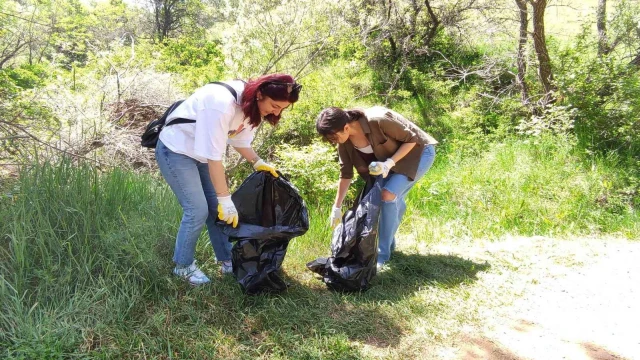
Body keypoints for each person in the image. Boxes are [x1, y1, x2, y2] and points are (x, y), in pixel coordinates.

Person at [155, 74, 302, 285]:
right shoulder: (221, 103)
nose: (276, 112)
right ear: (260, 94)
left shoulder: (252, 107)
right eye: (274, 105)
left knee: (216, 210)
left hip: (201, 154)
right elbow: (215, 158)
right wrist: (225, 199)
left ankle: (227, 260)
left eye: (282, 109)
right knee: (197, 209)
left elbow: (238, 138)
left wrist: (257, 161)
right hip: (176, 150)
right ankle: (183, 266)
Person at [315, 106, 438, 271]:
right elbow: (345, 175)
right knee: (390, 198)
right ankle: (390, 245)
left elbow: (413, 139)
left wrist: (389, 163)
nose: (333, 141)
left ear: (345, 127)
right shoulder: (344, 143)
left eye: (334, 136)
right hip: (392, 163)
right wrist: (336, 207)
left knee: (387, 195)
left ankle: (382, 256)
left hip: (419, 153)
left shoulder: (377, 119)